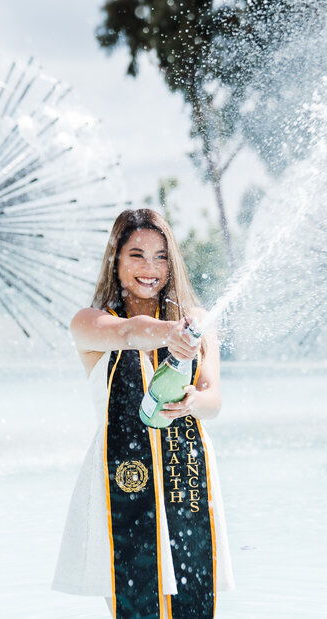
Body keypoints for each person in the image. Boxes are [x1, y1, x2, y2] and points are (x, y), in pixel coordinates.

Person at [52, 208, 234, 618]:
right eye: (136, 255)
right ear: (115, 261)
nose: (150, 268)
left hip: (185, 480)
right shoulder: (92, 323)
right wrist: (172, 335)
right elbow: (129, 332)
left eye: (161, 256)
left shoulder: (199, 322)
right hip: (119, 482)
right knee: (133, 604)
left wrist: (190, 402)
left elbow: (213, 400)